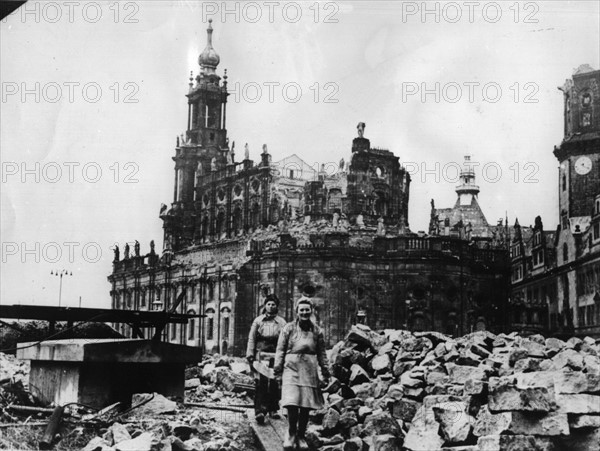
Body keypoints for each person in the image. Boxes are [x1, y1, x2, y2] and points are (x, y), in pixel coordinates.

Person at [274, 297, 331, 451]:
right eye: (302, 310)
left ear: (311, 311)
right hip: (291, 367)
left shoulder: (317, 330)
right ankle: (291, 433)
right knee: (292, 402)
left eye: (307, 309)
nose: (305, 312)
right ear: (297, 312)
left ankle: (301, 435)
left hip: (309, 369)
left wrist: (326, 371)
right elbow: (280, 350)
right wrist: (277, 370)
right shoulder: (288, 328)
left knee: (306, 404)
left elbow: (322, 353)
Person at [246, 294, 287, 424]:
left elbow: (286, 341)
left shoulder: (282, 322)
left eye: (273, 304)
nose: (270, 306)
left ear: (277, 306)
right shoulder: (258, 321)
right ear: (265, 306)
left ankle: (273, 409)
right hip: (261, 355)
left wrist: (285, 357)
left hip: (275, 355)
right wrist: (250, 355)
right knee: (260, 383)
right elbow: (252, 338)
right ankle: (259, 411)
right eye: (268, 304)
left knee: (274, 383)